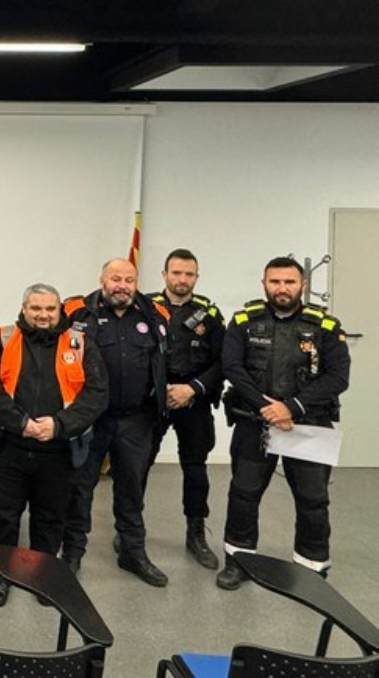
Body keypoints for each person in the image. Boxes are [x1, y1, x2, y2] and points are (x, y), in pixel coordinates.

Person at [216, 257, 351, 589]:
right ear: (264, 284)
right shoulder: (244, 322)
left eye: (289, 282)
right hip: (255, 423)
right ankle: (238, 561)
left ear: (302, 285)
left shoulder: (326, 326)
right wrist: (268, 408)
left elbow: (338, 377)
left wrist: (291, 408)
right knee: (243, 493)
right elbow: (232, 368)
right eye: (275, 281)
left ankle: (311, 569)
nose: (282, 288)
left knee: (313, 500)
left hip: (309, 425)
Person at [0, 283, 107, 607]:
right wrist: (20, 423)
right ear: (24, 309)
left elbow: (96, 394)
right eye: (35, 308)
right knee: (2, 517)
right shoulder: (3, 339)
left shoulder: (80, 343)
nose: (43, 315)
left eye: (50, 309)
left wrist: (59, 425)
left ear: (60, 310)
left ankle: (43, 578)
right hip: (7, 447)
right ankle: (1, 576)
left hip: (58, 450)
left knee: (50, 519)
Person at [61, 258, 171, 587]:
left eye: (129, 280)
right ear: (102, 280)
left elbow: (167, 361)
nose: (122, 286)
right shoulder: (76, 313)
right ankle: (72, 554)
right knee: (80, 489)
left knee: (132, 489)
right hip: (91, 420)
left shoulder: (154, 314)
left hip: (137, 419)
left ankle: (133, 552)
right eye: (115, 279)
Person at [147, 248, 226, 570]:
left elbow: (224, 361)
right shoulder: (145, 308)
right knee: (137, 466)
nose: (182, 279)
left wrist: (192, 388)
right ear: (164, 274)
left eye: (189, 274)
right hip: (152, 399)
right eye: (176, 273)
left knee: (195, 469)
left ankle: (196, 534)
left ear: (196, 277)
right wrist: (160, 390)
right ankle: (129, 531)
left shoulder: (209, 314)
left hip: (194, 400)